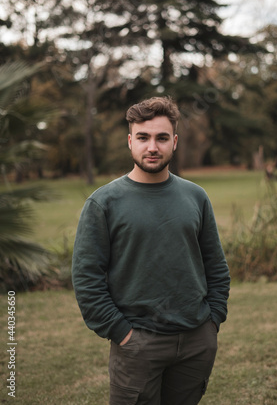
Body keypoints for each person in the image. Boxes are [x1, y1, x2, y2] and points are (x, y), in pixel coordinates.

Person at [72, 96, 230, 405]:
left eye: (161, 138)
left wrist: (213, 321)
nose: (152, 147)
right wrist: (122, 333)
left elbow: (215, 265)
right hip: (137, 342)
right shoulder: (103, 203)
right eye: (143, 138)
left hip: (197, 340)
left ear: (175, 141)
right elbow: (86, 278)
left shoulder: (195, 196)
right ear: (130, 141)